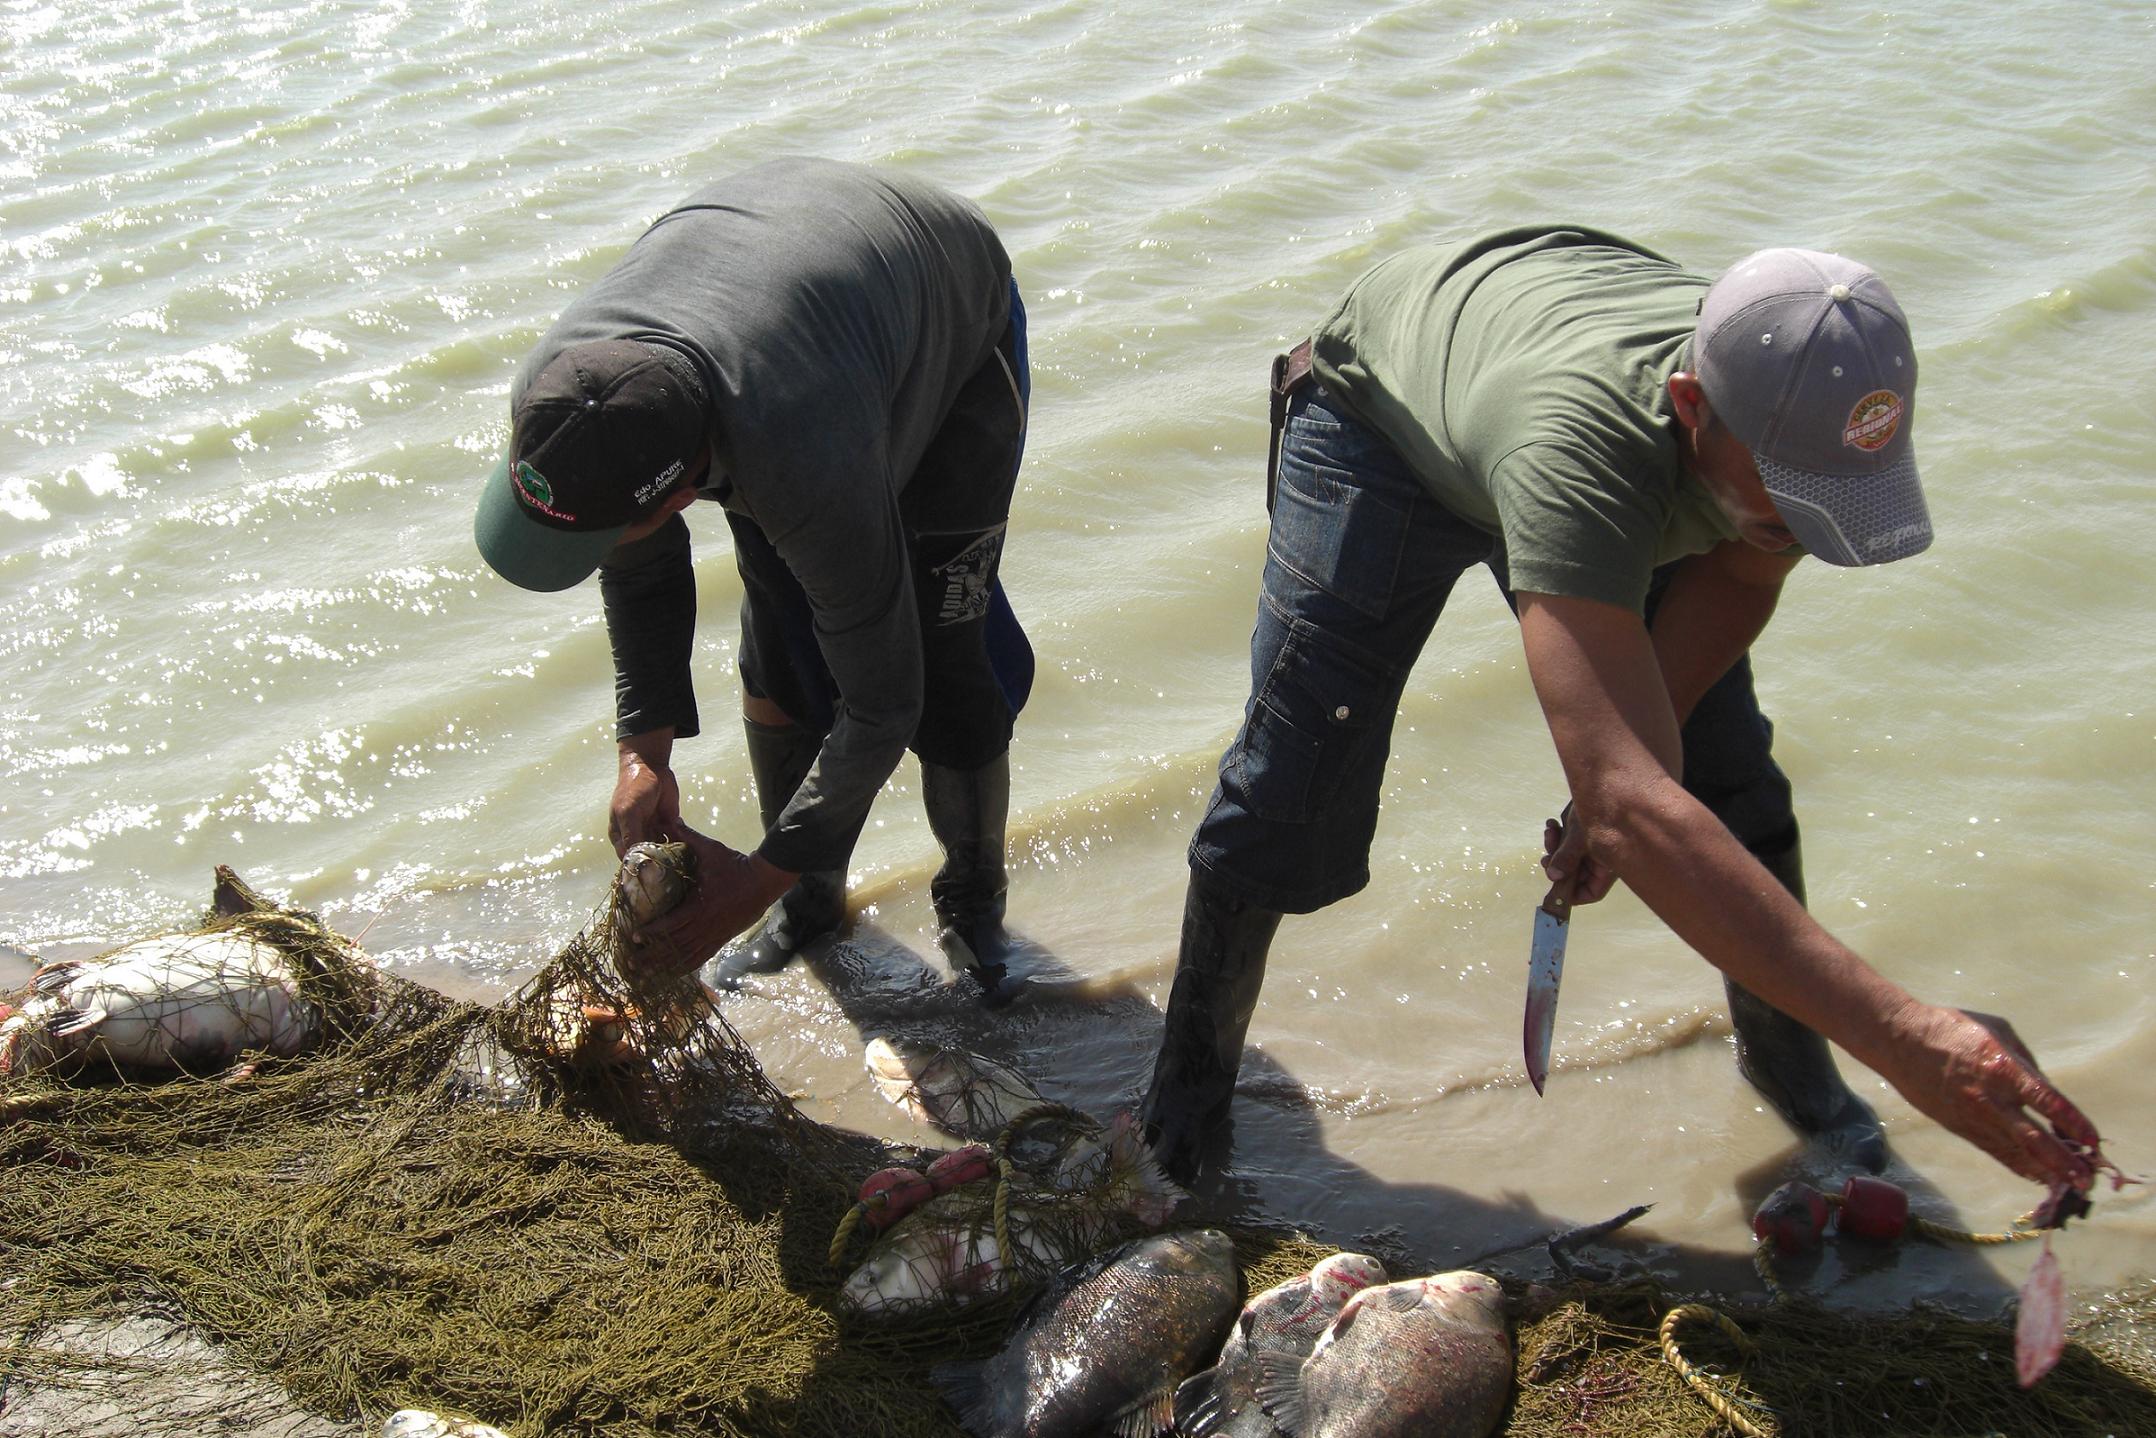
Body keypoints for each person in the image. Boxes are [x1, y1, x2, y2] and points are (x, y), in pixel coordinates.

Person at [1141, 230, 2105, 1196]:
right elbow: (1631, 801)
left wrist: (1632, 774)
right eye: (1793, 509)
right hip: (1382, 423)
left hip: (1540, 381)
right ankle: (1184, 1105)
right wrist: (1906, 1035)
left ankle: (1794, 1075)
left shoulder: (1798, 414)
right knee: (1292, 782)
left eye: (1835, 506)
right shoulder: (1582, 446)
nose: (1807, 531)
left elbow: (1739, 570)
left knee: (1720, 777)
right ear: (1693, 410)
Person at [474, 159, 1034, 994]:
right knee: (779, 643)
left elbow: (885, 703)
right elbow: (636, 571)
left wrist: (750, 877)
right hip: (783, 301)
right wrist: (643, 754)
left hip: (949, 322)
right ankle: (811, 905)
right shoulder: (562, 396)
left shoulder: (802, 454)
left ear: (670, 498)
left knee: (942, 651)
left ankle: (971, 901)